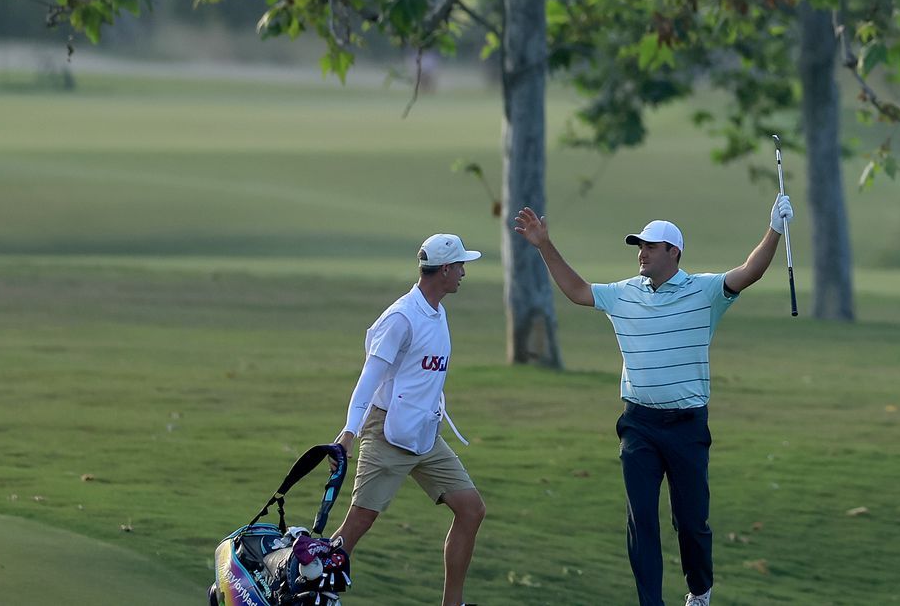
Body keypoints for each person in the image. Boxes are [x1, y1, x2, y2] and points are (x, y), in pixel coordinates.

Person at [513, 195, 794, 606]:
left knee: (691, 524)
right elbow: (576, 291)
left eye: (649, 246)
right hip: (639, 425)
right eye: (639, 246)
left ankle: (699, 591)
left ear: (673, 252)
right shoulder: (624, 294)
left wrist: (774, 229)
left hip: (686, 427)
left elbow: (749, 271)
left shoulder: (705, 291)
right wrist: (544, 246)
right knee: (640, 520)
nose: (641, 253)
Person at [331, 233, 486, 606]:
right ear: (445, 269)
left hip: (425, 434)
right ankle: (303, 590)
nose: (464, 272)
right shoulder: (401, 317)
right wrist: (349, 431)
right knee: (357, 524)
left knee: (471, 509)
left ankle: (453, 603)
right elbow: (369, 378)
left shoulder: (436, 310)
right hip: (387, 432)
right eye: (460, 265)